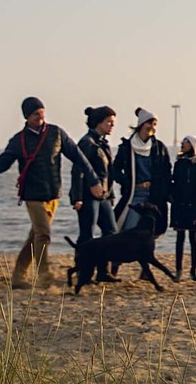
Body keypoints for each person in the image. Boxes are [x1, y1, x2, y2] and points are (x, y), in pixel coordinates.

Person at [0, 96, 104, 289]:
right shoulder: (18, 140)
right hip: (32, 195)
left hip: (53, 194)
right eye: (36, 114)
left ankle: (18, 277)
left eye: (42, 113)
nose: (41, 117)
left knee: (35, 236)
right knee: (43, 234)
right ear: (27, 116)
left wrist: (93, 180)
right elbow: (0, 165)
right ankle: (44, 275)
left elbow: (79, 157)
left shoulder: (57, 133)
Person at [110, 107, 172, 276]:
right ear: (141, 125)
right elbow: (115, 170)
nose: (153, 127)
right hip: (133, 195)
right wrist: (125, 181)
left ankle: (145, 271)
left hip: (154, 196)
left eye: (155, 124)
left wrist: (166, 193)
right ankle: (114, 267)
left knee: (150, 234)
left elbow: (167, 172)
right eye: (151, 123)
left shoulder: (159, 148)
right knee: (126, 231)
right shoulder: (127, 147)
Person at [70, 105, 120, 283]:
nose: (112, 126)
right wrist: (76, 197)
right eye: (109, 122)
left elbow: (108, 173)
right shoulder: (87, 143)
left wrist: (111, 194)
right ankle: (84, 272)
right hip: (88, 196)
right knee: (87, 235)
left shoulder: (103, 143)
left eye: (113, 122)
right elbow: (78, 170)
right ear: (99, 122)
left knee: (111, 233)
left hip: (104, 196)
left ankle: (103, 271)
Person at [170, 134, 196, 281]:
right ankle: (178, 269)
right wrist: (172, 197)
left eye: (186, 142)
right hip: (179, 205)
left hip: (193, 207)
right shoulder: (179, 163)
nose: (182, 144)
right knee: (179, 238)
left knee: (193, 238)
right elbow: (174, 182)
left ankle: (193, 270)